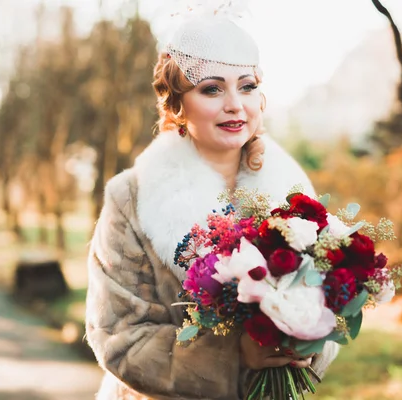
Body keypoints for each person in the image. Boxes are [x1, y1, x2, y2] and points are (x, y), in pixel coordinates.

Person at [85, 12, 339, 400]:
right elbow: (118, 336)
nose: (235, 105)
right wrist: (234, 355)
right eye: (211, 89)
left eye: (248, 86)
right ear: (176, 104)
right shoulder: (130, 198)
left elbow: (334, 305)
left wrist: (305, 343)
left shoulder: (290, 192)